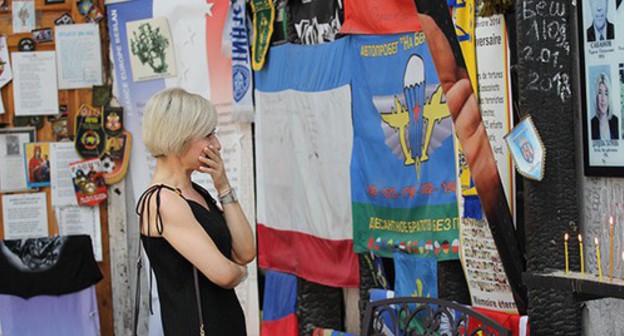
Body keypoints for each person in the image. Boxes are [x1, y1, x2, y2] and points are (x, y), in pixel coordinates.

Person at [136, 88, 255, 335]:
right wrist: (240, 273)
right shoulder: (161, 201)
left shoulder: (196, 192)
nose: (217, 145)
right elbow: (224, 274)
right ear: (179, 137)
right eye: (208, 135)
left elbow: (245, 251)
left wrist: (222, 184)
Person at [590, 72, 618, 140]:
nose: (603, 98)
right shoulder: (591, 124)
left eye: (606, 93)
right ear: (596, 97)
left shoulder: (616, 122)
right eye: (600, 93)